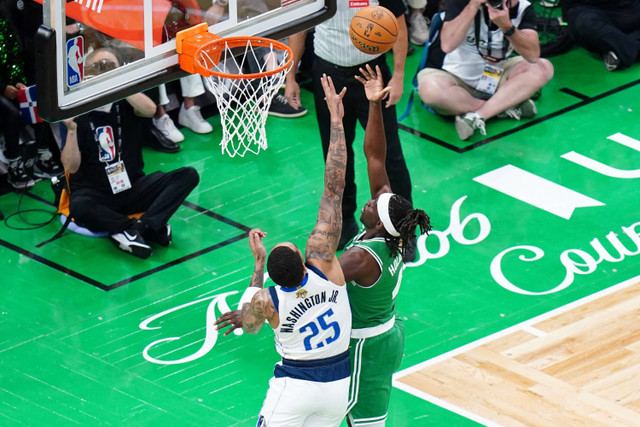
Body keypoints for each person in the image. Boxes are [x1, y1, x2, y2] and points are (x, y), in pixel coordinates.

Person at [215, 74, 352, 426]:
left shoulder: (266, 299)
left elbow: (248, 325)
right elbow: (334, 188)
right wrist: (337, 121)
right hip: (338, 385)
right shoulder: (323, 262)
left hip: (296, 386)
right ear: (303, 262)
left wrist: (258, 264)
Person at [341, 65, 432, 427]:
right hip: (382, 334)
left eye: (370, 207)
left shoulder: (364, 257)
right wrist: (375, 104)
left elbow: (315, 274)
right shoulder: (389, 226)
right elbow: (375, 157)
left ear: (377, 223)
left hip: (368, 346)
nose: (367, 202)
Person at [287, 1, 414, 251]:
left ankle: (404, 228)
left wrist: (398, 76)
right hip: (327, 75)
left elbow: (397, 24)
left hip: (372, 73)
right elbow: (299, 29)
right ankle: (345, 223)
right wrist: (291, 76)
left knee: (390, 156)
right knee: (336, 155)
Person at [61, 48, 200, 259]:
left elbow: (150, 110)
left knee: (188, 175)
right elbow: (70, 167)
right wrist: (71, 131)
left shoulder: (126, 102)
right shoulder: (78, 111)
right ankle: (128, 227)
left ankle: (145, 226)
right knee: (79, 206)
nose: (104, 71)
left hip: (132, 186)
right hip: (97, 195)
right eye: (98, 66)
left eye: (110, 66)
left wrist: (120, 81)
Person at [417, 0, 555, 140]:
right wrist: (472, 6)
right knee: (431, 90)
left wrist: (507, 27)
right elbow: (447, 45)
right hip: (454, 76)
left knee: (543, 67)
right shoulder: (462, 3)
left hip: (497, 72)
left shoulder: (523, 7)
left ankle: (478, 115)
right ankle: (505, 105)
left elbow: (532, 55)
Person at [562, 0, 640, 71]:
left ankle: (619, 48)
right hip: (589, 10)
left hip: (628, 6)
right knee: (585, 23)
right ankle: (627, 48)